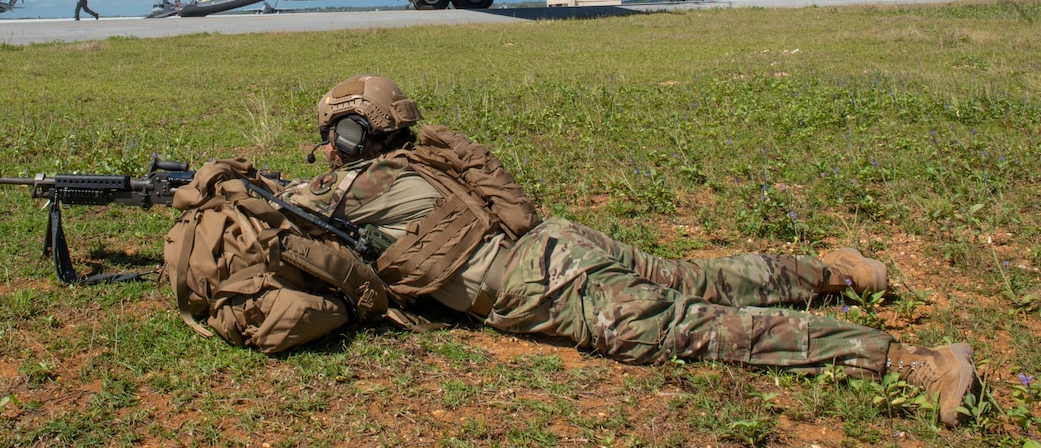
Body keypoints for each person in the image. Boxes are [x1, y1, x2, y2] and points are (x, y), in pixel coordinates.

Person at [177, 75, 981, 429]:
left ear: (348, 132)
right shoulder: (417, 160)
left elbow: (265, 216)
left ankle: (912, 361)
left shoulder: (347, 192)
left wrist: (208, 182)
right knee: (701, 275)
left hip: (549, 289)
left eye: (332, 132)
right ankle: (842, 270)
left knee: (700, 329)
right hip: (562, 242)